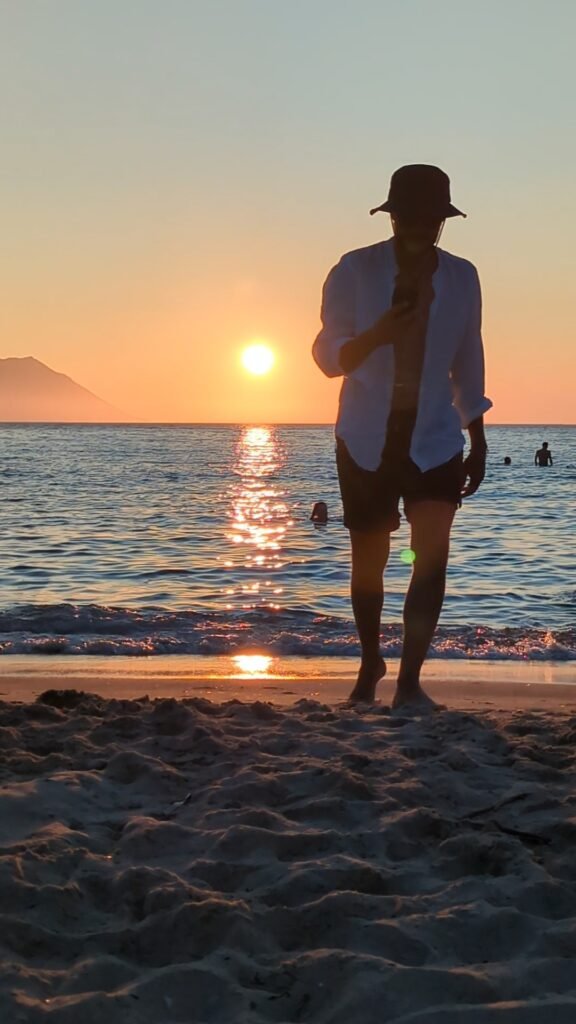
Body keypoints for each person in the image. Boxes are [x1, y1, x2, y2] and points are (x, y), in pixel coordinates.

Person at [312, 164, 492, 711]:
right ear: (392, 216)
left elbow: (469, 361)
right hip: (366, 434)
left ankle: (410, 680)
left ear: (443, 220)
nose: (420, 225)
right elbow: (326, 356)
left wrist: (478, 437)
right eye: (410, 215)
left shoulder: (463, 277)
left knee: (431, 557)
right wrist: (379, 335)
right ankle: (371, 661)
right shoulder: (354, 270)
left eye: (431, 217)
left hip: (436, 434)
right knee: (369, 560)